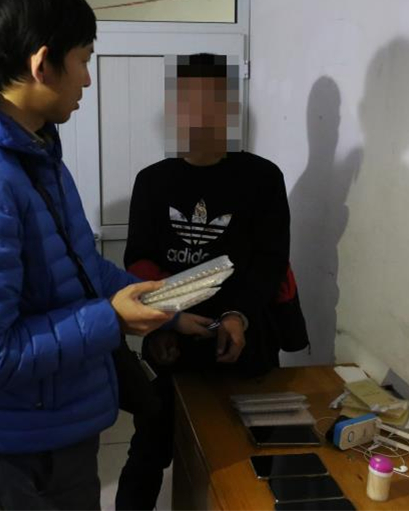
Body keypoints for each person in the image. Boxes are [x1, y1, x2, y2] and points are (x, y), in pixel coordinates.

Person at [0, 0, 199, 509]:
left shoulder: (33, 153)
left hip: (56, 414)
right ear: (43, 65)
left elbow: (84, 269)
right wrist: (111, 319)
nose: (87, 78)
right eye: (84, 60)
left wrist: (168, 308)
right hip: (28, 437)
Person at [115, 53, 293, 509]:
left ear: (229, 107)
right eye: (187, 102)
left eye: (211, 101)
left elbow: (270, 261)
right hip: (174, 342)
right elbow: (140, 260)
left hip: (246, 341)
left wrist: (238, 315)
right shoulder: (153, 182)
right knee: (147, 455)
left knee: (253, 463)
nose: (198, 114)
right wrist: (165, 323)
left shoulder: (262, 178)